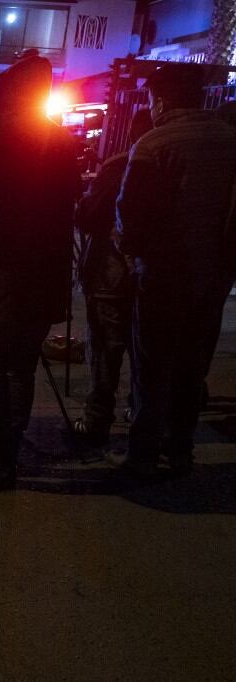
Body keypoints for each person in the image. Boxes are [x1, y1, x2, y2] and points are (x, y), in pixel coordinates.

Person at [0, 55, 81, 489]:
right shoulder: (61, 141)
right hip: (47, 270)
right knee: (22, 365)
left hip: (4, 269)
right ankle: (9, 452)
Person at [113, 64, 236, 479]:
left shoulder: (153, 144)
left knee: (151, 367)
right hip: (215, 275)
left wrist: (131, 255)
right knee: (192, 364)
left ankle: (143, 456)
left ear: (161, 99)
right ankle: (181, 450)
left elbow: (131, 213)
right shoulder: (230, 140)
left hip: (164, 274)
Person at [73, 109, 154, 446]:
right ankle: (140, 415)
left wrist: (83, 200)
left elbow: (89, 218)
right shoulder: (176, 164)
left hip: (111, 274)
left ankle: (97, 422)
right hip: (153, 275)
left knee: (106, 352)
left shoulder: (122, 165)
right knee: (146, 352)